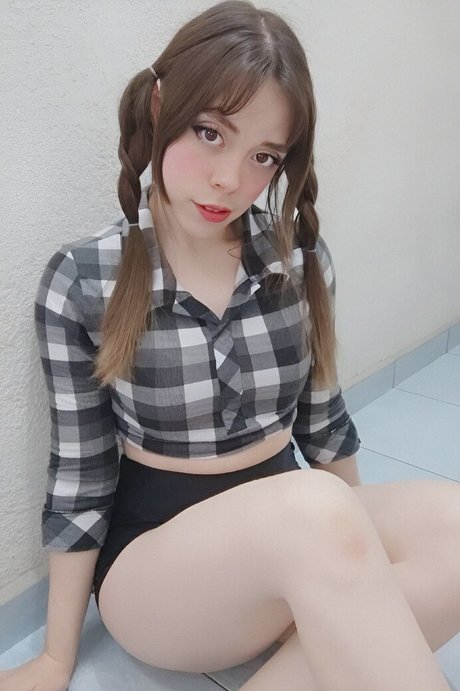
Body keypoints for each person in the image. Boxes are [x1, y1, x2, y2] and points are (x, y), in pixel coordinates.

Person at [1, 2, 459, 689]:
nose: (230, 180)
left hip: (296, 534)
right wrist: (55, 659)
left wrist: (356, 558)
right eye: (210, 132)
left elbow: (324, 424)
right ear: (161, 106)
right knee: (314, 509)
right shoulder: (84, 279)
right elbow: (80, 473)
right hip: (156, 574)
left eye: (263, 156)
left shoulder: (298, 261)